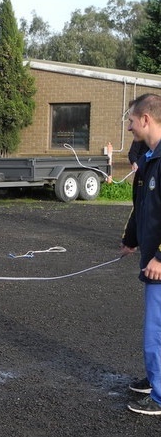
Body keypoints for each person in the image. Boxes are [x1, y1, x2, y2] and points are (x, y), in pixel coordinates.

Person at [120, 93, 161, 416]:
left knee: (156, 331)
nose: (129, 126)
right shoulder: (149, 158)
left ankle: (160, 396)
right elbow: (142, 205)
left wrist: (160, 257)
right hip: (151, 257)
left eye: (131, 120)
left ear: (145, 119)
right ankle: (155, 379)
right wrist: (131, 238)